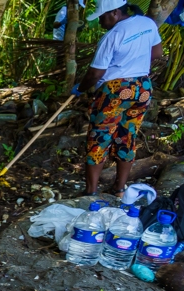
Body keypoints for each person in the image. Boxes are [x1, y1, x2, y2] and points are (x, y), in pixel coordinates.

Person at [72, 0, 162, 197]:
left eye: (102, 17)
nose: (101, 22)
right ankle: (119, 189)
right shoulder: (147, 23)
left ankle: (91, 192)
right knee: (127, 135)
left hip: (115, 89)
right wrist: (133, 66)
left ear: (114, 13)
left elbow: (95, 73)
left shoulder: (112, 35)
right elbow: (157, 52)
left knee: (100, 137)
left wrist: (80, 89)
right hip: (142, 87)